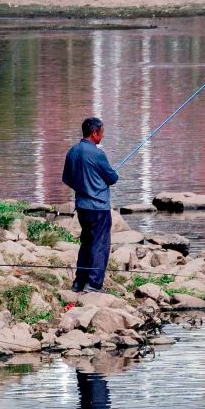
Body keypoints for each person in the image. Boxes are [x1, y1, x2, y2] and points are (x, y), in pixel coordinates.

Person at [61, 116, 120, 294]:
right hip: (99, 207)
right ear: (94, 133)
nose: (102, 137)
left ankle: (79, 282)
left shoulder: (72, 151)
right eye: (101, 133)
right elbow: (113, 178)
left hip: (82, 206)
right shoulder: (97, 153)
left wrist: (83, 187)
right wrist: (96, 186)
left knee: (86, 242)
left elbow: (66, 178)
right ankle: (94, 284)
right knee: (100, 244)